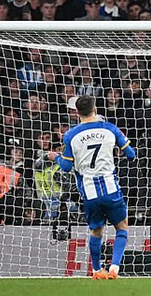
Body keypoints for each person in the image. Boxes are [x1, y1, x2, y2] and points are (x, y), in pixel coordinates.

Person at [49, 95, 136, 279]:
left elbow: (66, 167)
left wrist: (55, 157)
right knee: (122, 227)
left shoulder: (70, 135)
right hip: (111, 189)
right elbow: (131, 154)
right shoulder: (110, 128)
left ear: (77, 113)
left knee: (96, 231)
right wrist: (117, 149)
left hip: (89, 193)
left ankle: (96, 271)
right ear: (95, 109)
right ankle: (114, 268)